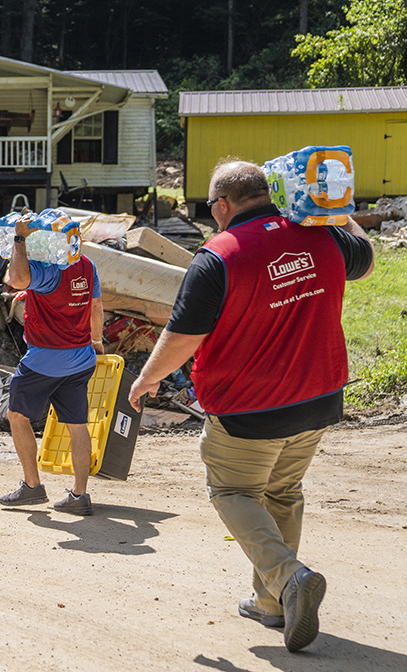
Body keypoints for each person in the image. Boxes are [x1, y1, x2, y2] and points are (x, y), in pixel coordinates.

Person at [127, 160, 374, 652]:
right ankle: (273, 603)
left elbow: (182, 337)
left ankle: (289, 578)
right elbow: (364, 258)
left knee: (232, 491)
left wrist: (146, 377)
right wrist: (338, 209)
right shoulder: (320, 235)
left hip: (250, 408)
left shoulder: (218, 255)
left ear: (222, 205)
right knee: (283, 490)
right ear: (271, 192)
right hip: (319, 398)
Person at [0, 212, 104, 515]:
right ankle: (79, 495)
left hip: (45, 360)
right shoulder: (86, 265)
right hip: (81, 358)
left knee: (17, 416)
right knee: (77, 425)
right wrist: (96, 342)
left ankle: (32, 487)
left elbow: (17, 278)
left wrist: (19, 238)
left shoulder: (47, 272)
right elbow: (96, 306)